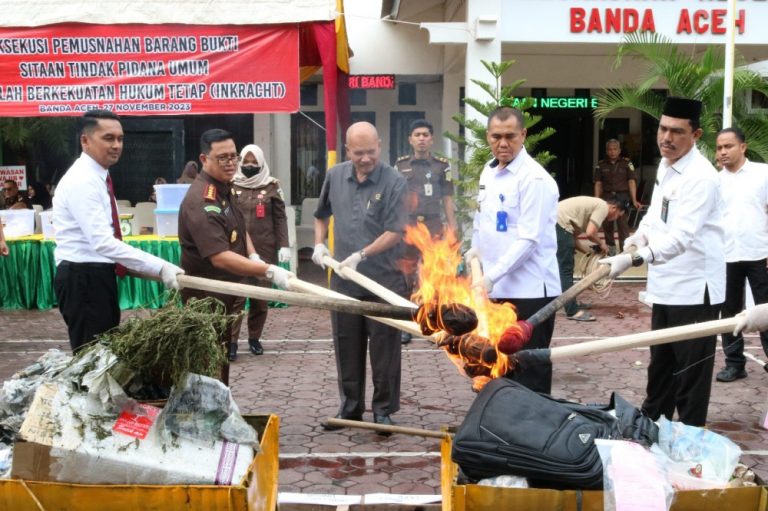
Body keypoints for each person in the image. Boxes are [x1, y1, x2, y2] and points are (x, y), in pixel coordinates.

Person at [599, 97, 724, 427]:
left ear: (695, 135)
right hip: (667, 286)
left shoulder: (701, 177)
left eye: (676, 131)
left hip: (696, 291)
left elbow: (681, 237)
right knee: (660, 370)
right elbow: (658, 216)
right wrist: (635, 240)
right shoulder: (668, 167)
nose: (666, 138)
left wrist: (634, 259)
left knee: (689, 379)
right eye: (663, 128)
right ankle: (651, 434)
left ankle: (690, 445)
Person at [53, 109, 185, 354]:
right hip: (83, 278)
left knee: (102, 357)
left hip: (95, 275)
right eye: (108, 138)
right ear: (85, 140)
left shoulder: (98, 176)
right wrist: (159, 266)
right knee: (92, 363)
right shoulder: (83, 180)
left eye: (120, 138)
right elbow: (103, 242)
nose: (116, 145)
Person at [311, 121, 408, 434]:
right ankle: (350, 407)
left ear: (379, 145)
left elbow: (396, 231)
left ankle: (383, 411)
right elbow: (321, 214)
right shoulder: (336, 175)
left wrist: (362, 254)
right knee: (346, 344)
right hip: (344, 282)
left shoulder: (394, 181)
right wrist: (318, 242)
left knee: (384, 349)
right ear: (347, 150)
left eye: (370, 151)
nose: (365, 158)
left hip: (383, 281)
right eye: (358, 153)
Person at [178, 129, 294, 385]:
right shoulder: (202, 200)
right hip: (206, 301)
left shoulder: (225, 189)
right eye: (222, 158)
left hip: (224, 295)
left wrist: (253, 255)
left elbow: (239, 228)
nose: (231, 163)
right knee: (206, 371)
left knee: (219, 370)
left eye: (234, 157)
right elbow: (219, 256)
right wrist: (268, 271)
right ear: (204, 159)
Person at [465, 106, 561, 394]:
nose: (503, 143)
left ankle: (532, 432)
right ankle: (501, 430)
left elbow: (528, 240)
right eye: (496, 137)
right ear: (487, 136)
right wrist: (474, 251)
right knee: (496, 366)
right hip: (495, 289)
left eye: (510, 136)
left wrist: (491, 276)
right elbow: (484, 221)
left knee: (528, 368)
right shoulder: (489, 172)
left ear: (524, 135)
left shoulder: (534, 179)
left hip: (530, 292)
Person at [395, 119, 457, 344]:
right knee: (406, 275)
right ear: (410, 139)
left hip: (433, 227)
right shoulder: (400, 166)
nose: (421, 138)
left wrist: (452, 228)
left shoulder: (441, 167)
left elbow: (448, 200)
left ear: (431, 139)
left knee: (435, 274)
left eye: (425, 134)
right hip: (409, 227)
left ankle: (433, 321)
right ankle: (407, 323)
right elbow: (397, 200)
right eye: (417, 134)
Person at [714, 127, 768, 382]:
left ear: (743, 147)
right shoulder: (715, 181)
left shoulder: (762, 173)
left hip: (760, 254)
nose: (723, 152)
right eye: (719, 148)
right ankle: (735, 363)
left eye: (728, 146)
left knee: (765, 310)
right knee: (730, 312)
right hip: (726, 256)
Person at [229, 143, 291, 360]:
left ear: (261, 163)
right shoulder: (232, 185)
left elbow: (280, 218)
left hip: (264, 249)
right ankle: (232, 342)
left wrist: (284, 245)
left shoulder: (272, 187)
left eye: (254, 162)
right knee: (236, 298)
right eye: (245, 162)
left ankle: (254, 338)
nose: (249, 165)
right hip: (237, 249)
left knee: (260, 298)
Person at [556, 196, 628, 322]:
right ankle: (571, 310)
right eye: (618, 215)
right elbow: (590, 233)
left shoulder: (586, 212)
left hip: (557, 223)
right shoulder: (602, 207)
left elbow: (573, 239)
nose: (615, 219)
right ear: (614, 208)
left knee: (563, 269)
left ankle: (571, 302)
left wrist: (589, 253)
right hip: (558, 224)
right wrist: (602, 244)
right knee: (565, 270)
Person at [593, 139, 641, 253]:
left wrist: (634, 200)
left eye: (615, 149)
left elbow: (631, 182)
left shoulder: (627, 164)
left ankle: (624, 249)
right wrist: (596, 200)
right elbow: (598, 184)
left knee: (623, 225)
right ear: (606, 151)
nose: (612, 152)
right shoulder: (601, 165)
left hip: (622, 197)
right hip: (607, 197)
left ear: (619, 150)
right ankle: (611, 248)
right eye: (610, 149)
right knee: (607, 223)